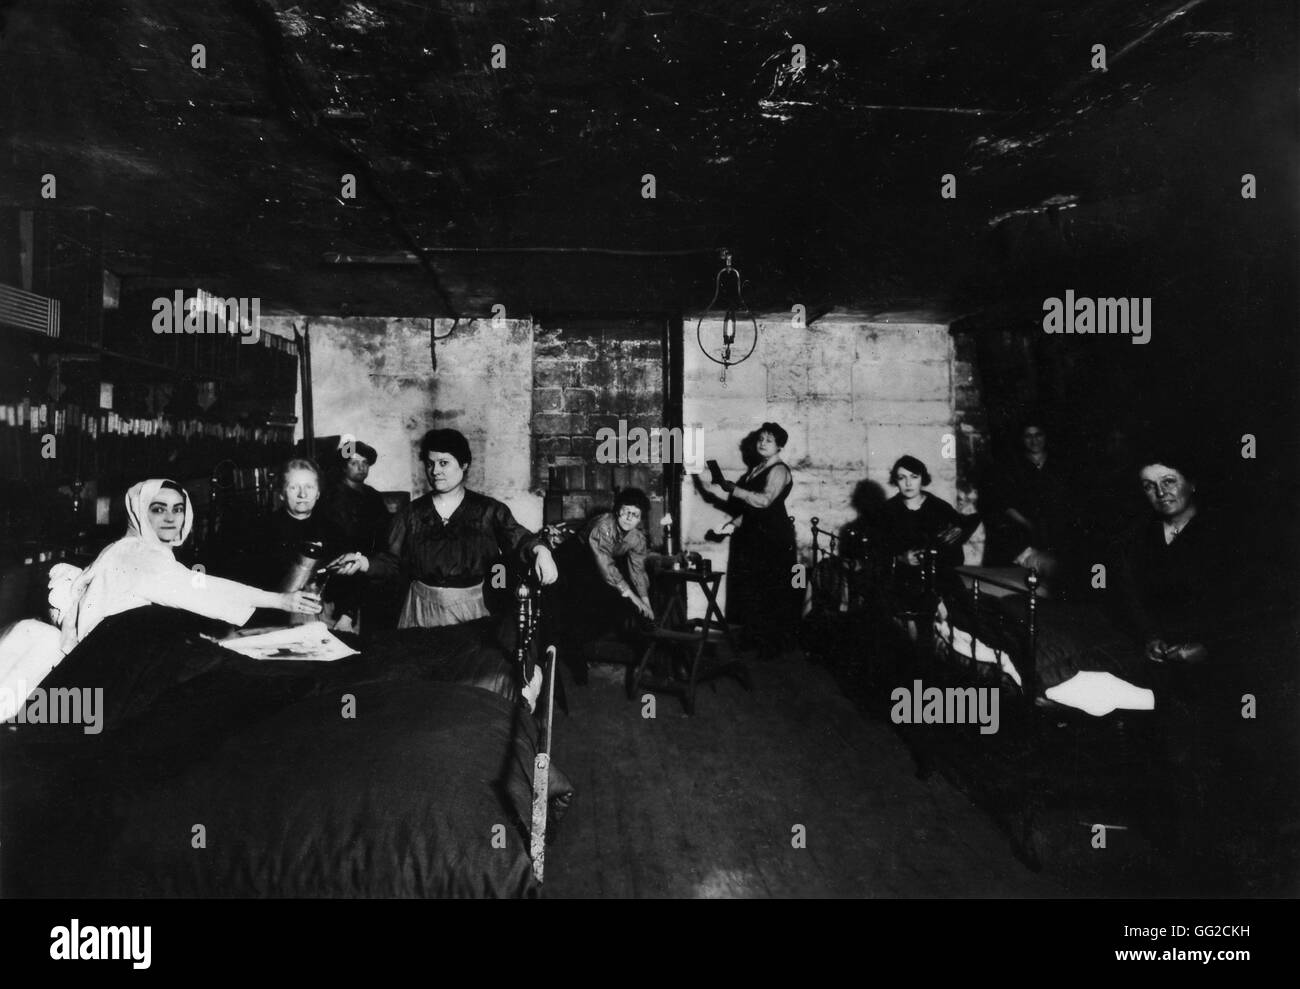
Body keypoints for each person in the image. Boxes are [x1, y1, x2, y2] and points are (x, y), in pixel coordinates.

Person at [47, 478, 321, 654]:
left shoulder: (132, 547)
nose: (171, 518)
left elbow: (199, 582)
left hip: (124, 651)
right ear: (140, 511)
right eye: (158, 509)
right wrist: (279, 601)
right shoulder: (139, 555)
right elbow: (202, 589)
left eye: (178, 509)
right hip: (113, 661)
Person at [330, 428, 557, 628]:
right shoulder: (411, 514)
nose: (435, 470)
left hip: (473, 613)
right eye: (430, 464)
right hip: (420, 613)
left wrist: (541, 550)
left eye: (444, 463)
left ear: (464, 464)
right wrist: (363, 562)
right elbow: (392, 562)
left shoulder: (489, 510)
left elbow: (518, 538)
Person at [696, 422, 798, 659]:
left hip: (773, 539)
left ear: (780, 446)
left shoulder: (779, 470)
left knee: (769, 589)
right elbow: (753, 511)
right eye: (760, 439)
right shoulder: (756, 469)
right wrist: (731, 525)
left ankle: (770, 646)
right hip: (755, 536)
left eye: (769, 440)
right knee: (752, 588)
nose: (762, 443)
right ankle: (754, 639)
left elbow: (764, 502)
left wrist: (733, 489)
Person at [1113, 455, 1226, 667]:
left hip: (1215, 656)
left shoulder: (1222, 534)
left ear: (1191, 484)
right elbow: (1129, 597)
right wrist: (1150, 638)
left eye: (1169, 481)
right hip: (1153, 652)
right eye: (1149, 486)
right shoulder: (1135, 536)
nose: (1161, 493)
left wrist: (1208, 646)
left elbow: (1240, 605)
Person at [551, 488, 655, 683]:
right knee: (572, 611)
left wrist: (645, 602)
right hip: (571, 560)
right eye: (625, 512)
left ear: (641, 519)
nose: (628, 518)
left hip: (595, 567)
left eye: (635, 515)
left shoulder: (637, 538)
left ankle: (578, 650)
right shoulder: (603, 526)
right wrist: (633, 598)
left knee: (606, 609)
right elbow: (606, 567)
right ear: (617, 511)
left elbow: (638, 570)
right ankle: (575, 664)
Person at [320, 440, 390, 630]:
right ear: (344, 466)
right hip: (342, 566)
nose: (361, 467)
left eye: (365, 463)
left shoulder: (373, 496)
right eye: (354, 462)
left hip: (370, 562)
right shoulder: (331, 496)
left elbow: (385, 533)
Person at [878, 455, 966, 601]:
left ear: (922, 479)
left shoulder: (940, 508)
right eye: (901, 477)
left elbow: (956, 555)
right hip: (900, 576)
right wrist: (901, 558)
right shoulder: (887, 511)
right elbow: (878, 549)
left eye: (914, 477)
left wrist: (931, 557)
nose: (908, 483)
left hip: (938, 576)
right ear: (895, 481)